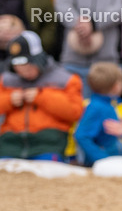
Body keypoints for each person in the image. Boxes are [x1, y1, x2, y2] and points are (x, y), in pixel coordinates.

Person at [0, 31, 84, 160]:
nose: (22, 69)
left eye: (27, 64)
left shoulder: (66, 80)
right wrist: (9, 100)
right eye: (17, 65)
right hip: (11, 141)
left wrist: (42, 97)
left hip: (49, 142)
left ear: (38, 59)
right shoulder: (7, 80)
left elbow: (75, 112)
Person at [73, 63, 122, 166]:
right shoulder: (96, 107)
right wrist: (102, 159)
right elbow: (81, 135)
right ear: (116, 86)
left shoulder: (107, 105)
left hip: (116, 163)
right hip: (107, 165)